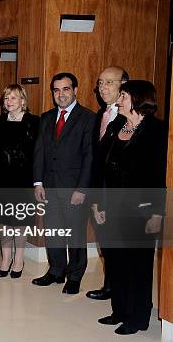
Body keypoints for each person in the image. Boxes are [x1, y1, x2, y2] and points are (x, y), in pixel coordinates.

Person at [93, 80, 165, 335]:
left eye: (123, 95)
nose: (118, 100)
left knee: (138, 265)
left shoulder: (157, 131)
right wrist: (97, 203)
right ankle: (120, 311)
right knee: (116, 262)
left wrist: (158, 212)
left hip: (141, 210)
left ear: (137, 99)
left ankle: (138, 318)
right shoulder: (115, 127)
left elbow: (160, 176)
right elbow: (100, 167)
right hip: (111, 207)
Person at [32, 72, 95, 294]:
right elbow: (39, 152)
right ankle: (56, 271)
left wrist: (81, 189)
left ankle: (75, 276)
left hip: (74, 188)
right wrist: (38, 182)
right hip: (49, 186)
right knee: (53, 231)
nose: (61, 94)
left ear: (75, 90)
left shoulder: (88, 118)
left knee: (75, 233)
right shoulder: (47, 118)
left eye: (66, 89)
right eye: (57, 90)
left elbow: (89, 156)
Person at [86, 66, 128, 300]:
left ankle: (119, 289)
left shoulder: (130, 119)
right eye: (100, 83)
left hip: (120, 196)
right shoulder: (99, 116)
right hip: (99, 192)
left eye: (109, 82)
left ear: (124, 85)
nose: (102, 88)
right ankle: (110, 286)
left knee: (119, 246)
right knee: (106, 244)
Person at [0, 84, 39, 278]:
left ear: (23, 101)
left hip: (24, 180)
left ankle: (19, 259)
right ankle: (6, 258)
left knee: (20, 222)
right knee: (4, 222)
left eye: (14, 98)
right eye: (6, 98)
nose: (9, 101)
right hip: (3, 179)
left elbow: (38, 154)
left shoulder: (34, 122)